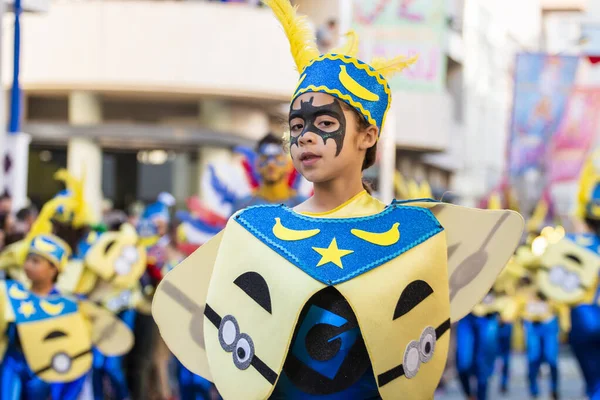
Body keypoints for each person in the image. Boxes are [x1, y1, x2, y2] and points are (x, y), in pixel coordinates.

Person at [152, 1, 524, 398]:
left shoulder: (416, 235)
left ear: (368, 135)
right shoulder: (253, 231)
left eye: (325, 123)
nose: (306, 136)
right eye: (297, 126)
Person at [0, 234, 88, 400]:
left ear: (53, 269)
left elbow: (76, 349)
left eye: (36, 262)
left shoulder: (66, 305)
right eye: (28, 259)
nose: (28, 266)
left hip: (44, 369)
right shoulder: (12, 294)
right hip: (12, 363)